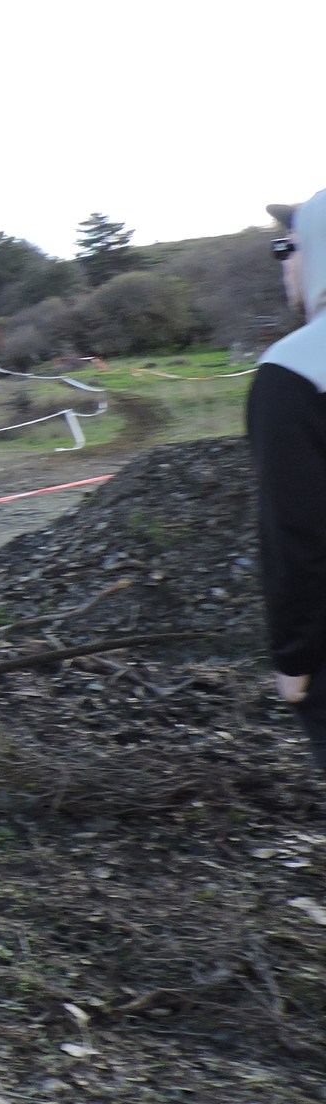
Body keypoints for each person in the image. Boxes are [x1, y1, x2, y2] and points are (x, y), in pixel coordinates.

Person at [249, 195, 326, 771]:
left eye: (288, 247)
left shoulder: (295, 370)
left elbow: (296, 537)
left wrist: (294, 660)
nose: (284, 263)